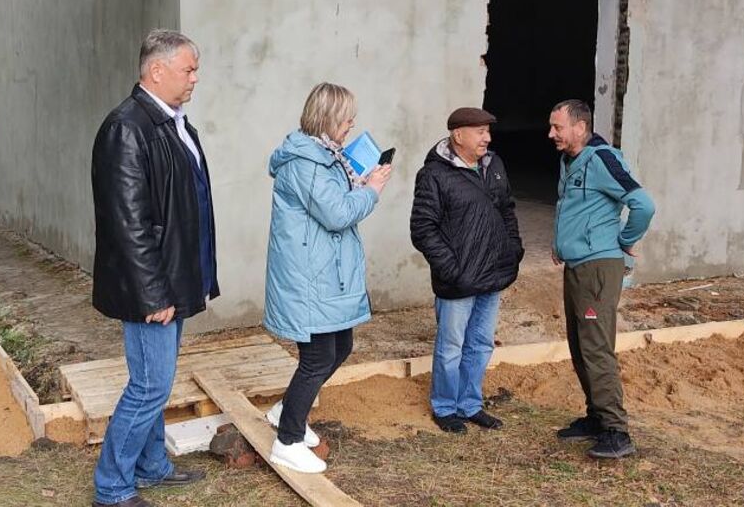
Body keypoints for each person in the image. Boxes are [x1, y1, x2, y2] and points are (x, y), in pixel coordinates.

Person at [89, 30, 218, 507]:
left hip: (172, 278)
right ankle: (113, 487)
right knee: (149, 386)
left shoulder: (171, 123)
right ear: (156, 71)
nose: (195, 78)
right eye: (189, 69)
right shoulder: (127, 127)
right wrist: (153, 293)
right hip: (152, 288)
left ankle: (150, 465)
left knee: (156, 382)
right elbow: (128, 224)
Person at [262, 82, 392, 473]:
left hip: (323, 274)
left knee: (340, 348)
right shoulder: (306, 163)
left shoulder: (325, 157)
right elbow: (335, 214)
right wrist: (371, 190)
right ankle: (287, 440)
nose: (351, 124)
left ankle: (289, 409)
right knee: (318, 358)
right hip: (310, 280)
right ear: (327, 118)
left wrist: (356, 180)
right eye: (346, 118)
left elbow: (331, 203)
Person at [548, 99, 654, 460]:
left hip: (598, 268)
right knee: (579, 344)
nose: (551, 134)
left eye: (557, 127)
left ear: (580, 127)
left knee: (595, 347)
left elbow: (643, 204)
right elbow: (571, 206)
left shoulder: (602, 158)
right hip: (576, 265)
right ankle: (596, 417)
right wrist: (560, 242)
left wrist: (624, 240)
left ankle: (616, 431)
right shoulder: (570, 160)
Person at [410, 107, 523, 434]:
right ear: (458, 135)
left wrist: (512, 251)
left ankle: (470, 405)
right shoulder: (434, 175)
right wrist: (452, 269)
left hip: (493, 274)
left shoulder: (494, 165)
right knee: (451, 347)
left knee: (481, 343)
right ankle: (445, 407)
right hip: (458, 280)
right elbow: (423, 229)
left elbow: (507, 210)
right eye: (480, 132)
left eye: (488, 131)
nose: (487, 138)